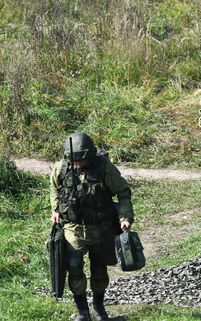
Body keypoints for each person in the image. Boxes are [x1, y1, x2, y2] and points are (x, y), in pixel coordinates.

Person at [50, 132, 134, 321]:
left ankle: (99, 308)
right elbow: (54, 186)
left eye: (81, 159)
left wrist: (125, 217)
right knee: (74, 266)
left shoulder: (104, 167)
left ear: (90, 155)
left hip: (101, 228)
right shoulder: (62, 168)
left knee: (99, 270)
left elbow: (123, 192)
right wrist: (55, 209)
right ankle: (82, 311)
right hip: (74, 227)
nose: (78, 164)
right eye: (74, 160)